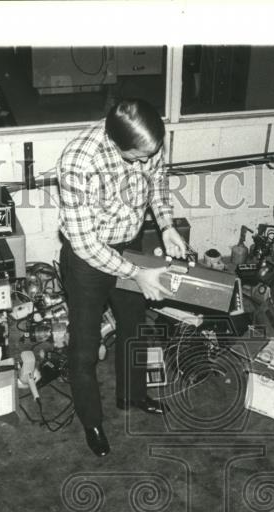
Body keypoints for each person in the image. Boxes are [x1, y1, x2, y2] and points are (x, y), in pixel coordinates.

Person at [57, 99, 188, 457]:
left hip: (130, 245)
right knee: (84, 346)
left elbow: (158, 184)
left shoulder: (148, 144)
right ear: (115, 142)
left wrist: (166, 225)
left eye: (152, 154)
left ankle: (132, 395)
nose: (147, 163)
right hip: (89, 257)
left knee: (135, 326)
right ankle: (92, 421)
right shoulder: (78, 162)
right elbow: (84, 242)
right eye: (138, 158)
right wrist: (136, 273)